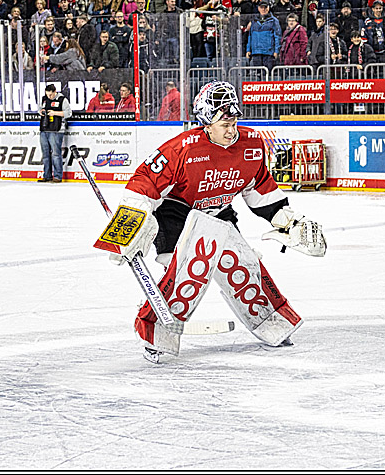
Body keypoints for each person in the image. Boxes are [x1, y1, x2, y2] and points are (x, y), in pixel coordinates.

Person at [96, 80, 326, 363]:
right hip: (177, 215)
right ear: (206, 124)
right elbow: (145, 182)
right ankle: (157, 332)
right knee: (190, 270)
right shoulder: (182, 149)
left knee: (241, 264)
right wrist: (128, 225)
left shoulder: (252, 144)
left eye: (234, 122)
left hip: (219, 212)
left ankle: (271, 322)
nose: (231, 130)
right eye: (224, 124)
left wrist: (288, 221)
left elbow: (259, 188)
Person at [38, 83, 71, 183]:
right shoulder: (44, 99)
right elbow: (39, 109)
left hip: (56, 130)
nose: (49, 97)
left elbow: (68, 113)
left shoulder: (62, 100)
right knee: (45, 154)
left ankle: (57, 176)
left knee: (56, 154)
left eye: (50, 95)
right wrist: (41, 111)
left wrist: (55, 113)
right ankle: (47, 175)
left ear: (55, 92)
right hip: (44, 129)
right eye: (47, 94)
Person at [246, 0, 282, 69]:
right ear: (258, 8)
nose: (263, 9)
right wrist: (248, 50)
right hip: (256, 52)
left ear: (268, 8)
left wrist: (276, 51)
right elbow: (250, 36)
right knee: (258, 73)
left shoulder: (274, 21)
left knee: (268, 73)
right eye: (261, 7)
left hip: (268, 53)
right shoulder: (254, 21)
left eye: (265, 7)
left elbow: (277, 37)